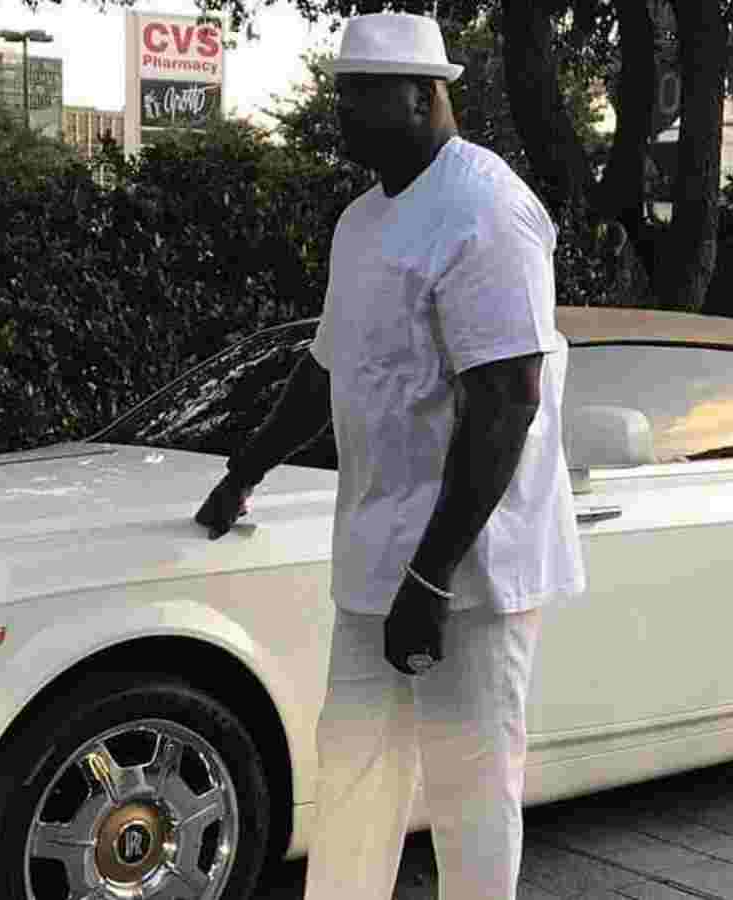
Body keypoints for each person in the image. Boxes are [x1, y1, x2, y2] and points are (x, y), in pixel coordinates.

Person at [194, 12, 586, 900]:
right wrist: (244, 469)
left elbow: (508, 400)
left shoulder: (488, 209)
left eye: (363, 96)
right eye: (342, 94)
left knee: (471, 785)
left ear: (424, 94)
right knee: (355, 771)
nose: (344, 115)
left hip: (470, 574)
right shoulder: (362, 223)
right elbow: (326, 366)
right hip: (379, 558)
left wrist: (435, 579)